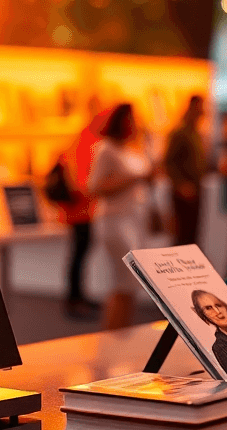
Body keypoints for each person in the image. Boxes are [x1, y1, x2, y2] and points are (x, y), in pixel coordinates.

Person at [88, 104, 155, 329]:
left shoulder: (132, 150)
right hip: (115, 220)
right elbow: (95, 187)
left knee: (131, 282)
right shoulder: (106, 150)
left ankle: (121, 333)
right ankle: (112, 333)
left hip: (134, 220)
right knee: (123, 281)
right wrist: (134, 178)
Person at [54, 109, 110, 320]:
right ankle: (74, 299)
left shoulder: (85, 141)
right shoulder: (86, 143)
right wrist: (93, 190)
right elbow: (81, 181)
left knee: (81, 254)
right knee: (78, 254)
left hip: (84, 209)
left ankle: (79, 296)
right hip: (80, 209)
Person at [164, 95, 208, 246]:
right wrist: (180, 184)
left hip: (196, 188)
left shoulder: (196, 132)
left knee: (193, 233)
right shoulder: (180, 132)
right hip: (184, 190)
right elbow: (169, 161)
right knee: (183, 234)